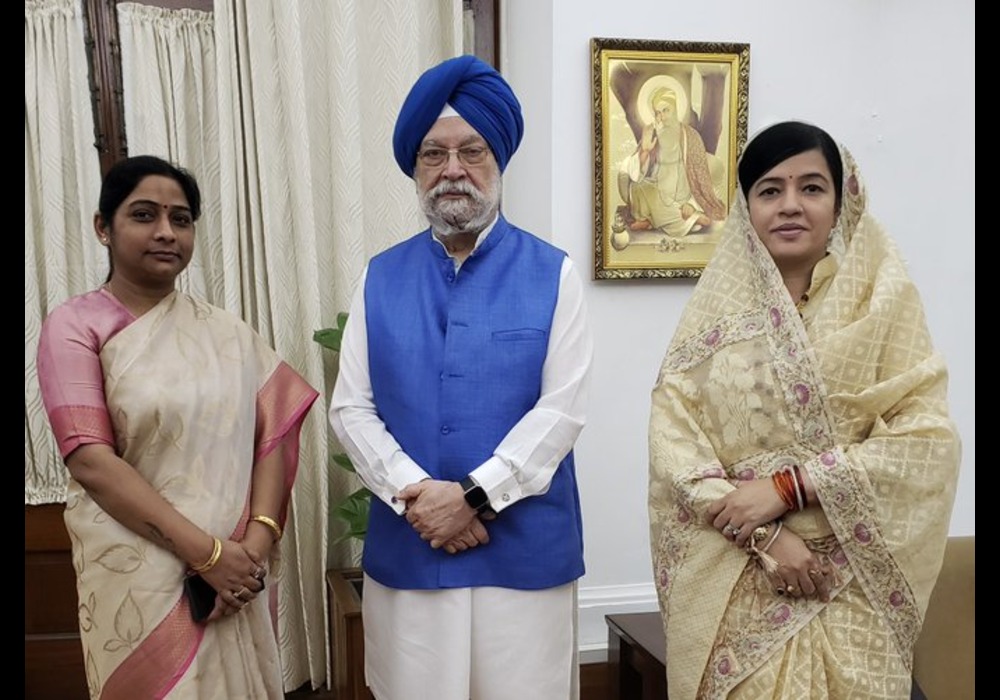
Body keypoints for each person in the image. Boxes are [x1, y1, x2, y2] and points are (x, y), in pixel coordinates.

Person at [647, 121, 960, 699]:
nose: (790, 205)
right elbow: (678, 453)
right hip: (741, 580)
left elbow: (927, 443)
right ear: (746, 209)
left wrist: (791, 486)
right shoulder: (711, 326)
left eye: (811, 187)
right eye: (770, 190)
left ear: (842, 202)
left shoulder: (883, 307)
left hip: (853, 587)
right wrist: (766, 537)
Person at [328, 54, 593, 700]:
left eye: (471, 151)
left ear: (498, 162)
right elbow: (350, 410)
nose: (452, 170)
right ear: (415, 169)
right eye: (433, 155)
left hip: (526, 557)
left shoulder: (553, 274)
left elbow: (561, 412)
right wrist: (422, 496)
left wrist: (472, 498)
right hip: (412, 554)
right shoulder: (379, 277)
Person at [36, 155, 319, 698]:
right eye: (144, 215)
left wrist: (251, 548)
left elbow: (273, 432)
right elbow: (91, 461)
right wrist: (207, 555)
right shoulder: (75, 327)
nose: (166, 232)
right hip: (139, 575)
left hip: (235, 576)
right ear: (104, 227)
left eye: (181, 219)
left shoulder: (226, 332)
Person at [618, 86, 726, 237]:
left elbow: (701, 179)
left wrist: (691, 203)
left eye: (666, 110)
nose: (662, 116)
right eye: (658, 112)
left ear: (676, 108)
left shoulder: (691, 137)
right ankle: (682, 219)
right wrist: (645, 150)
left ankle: (656, 220)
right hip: (657, 193)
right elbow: (637, 174)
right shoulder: (652, 134)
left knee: (664, 204)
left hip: (682, 196)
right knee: (636, 187)